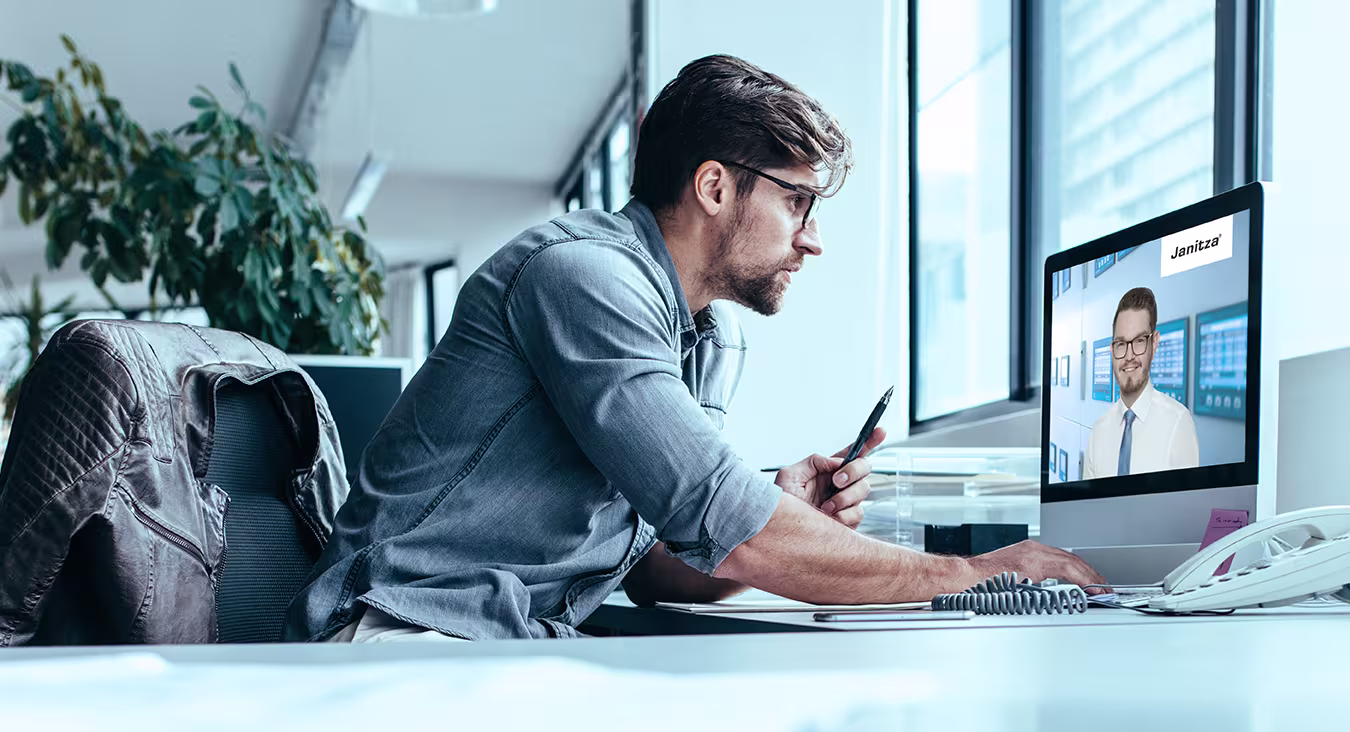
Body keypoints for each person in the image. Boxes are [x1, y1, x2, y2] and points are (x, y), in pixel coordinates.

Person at [284, 55, 1103, 643]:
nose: (812, 240)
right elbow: (729, 522)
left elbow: (651, 568)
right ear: (715, 187)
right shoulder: (582, 279)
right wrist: (978, 577)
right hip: (402, 632)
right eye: (798, 202)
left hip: (511, 643)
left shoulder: (709, 335)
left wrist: (780, 506)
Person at [1084, 287, 1200, 479]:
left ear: (1154, 344)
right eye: (1121, 343)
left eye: (1139, 341)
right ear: (1112, 350)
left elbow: (1186, 508)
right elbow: (1089, 508)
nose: (1129, 356)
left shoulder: (1178, 423)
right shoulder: (1099, 431)